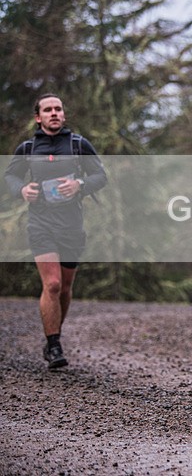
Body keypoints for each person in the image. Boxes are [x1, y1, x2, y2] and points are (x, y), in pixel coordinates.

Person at [4, 94, 107, 369]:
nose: (54, 113)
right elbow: (11, 176)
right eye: (48, 110)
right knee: (52, 284)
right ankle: (53, 344)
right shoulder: (28, 148)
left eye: (58, 109)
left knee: (66, 287)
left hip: (72, 225)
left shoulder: (77, 144)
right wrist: (21, 190)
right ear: (38, 117)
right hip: (41, 224)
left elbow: (101, 176)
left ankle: (54, 337)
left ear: (64, 114)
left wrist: (81, 185)